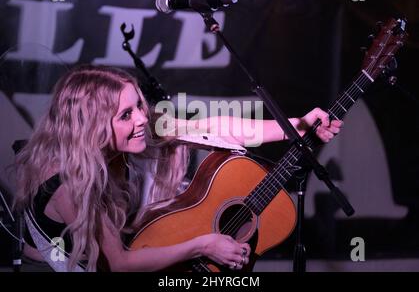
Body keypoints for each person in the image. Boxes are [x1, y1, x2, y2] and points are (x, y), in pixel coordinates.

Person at [13, 65, 342, 272]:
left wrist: (294, 126)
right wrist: (203, 244)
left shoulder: (95, 149)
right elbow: (119, 264)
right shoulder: (68, 180)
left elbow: (213, 128)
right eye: (125, 115)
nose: (143, 118)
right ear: (91, 126)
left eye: (139, 106)